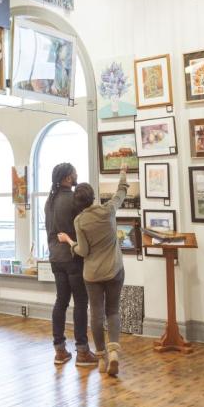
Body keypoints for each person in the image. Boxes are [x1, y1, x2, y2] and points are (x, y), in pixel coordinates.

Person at [71, 171, 129, 378]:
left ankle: (102, 358)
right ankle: (114, 352)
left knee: (96, 313)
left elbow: (83, 251)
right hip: (114, 270)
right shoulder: (108, 210)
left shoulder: (80, 221)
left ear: (78, 202)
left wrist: (71, 244)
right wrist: (123, 174)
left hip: (92, 274)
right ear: (93, 197)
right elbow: (121, 193)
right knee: (112, 311)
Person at [44, 162, 94, 367]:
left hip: (55, 258)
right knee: (80, 302)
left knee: (61, 301)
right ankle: (82, 351)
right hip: (73, 257)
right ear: (67, 178)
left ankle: (60, 350)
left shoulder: (49, 201)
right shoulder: (74, 200)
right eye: (74, 173)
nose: (76, 175)